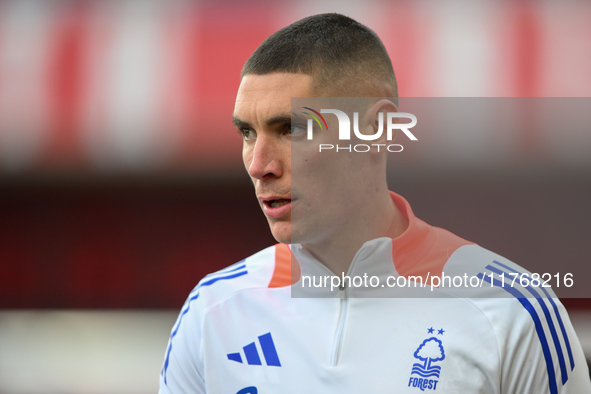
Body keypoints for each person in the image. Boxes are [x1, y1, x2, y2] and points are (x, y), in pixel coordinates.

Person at [159, 13, 590, 393]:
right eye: (247, 133)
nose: (258, 165)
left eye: (290, 128)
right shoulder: (212, 312)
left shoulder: (512, 311)